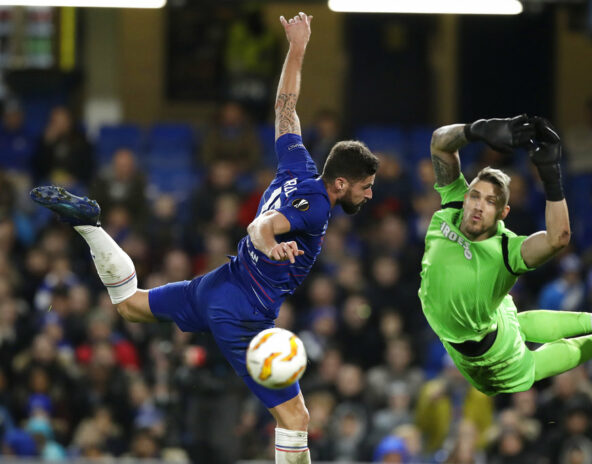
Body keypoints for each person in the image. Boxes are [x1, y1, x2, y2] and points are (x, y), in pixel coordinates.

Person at [29, 12, 379, 464]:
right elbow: (262, 226)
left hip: (220, 283)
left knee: (130, 305)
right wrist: (268, 242)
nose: (370, 194)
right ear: (341, 184)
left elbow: (285, 110)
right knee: (295, 420)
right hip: (244, 314)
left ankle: (89, 226)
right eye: (365, 186)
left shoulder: (299, 166)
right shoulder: (314, 208)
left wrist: (297, 50)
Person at [418, 115, 592, 396]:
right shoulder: (452, 205)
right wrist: (482, 129)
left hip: (490, 358)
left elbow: (557, 238)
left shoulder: (506, 251)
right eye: (475, 196)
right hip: (488, 320)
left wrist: (550, 175)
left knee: (533, 367)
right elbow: (440, 142)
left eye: (491, 202)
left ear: (503, 214)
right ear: (465, 197)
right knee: (517, 323)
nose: (478, 206)